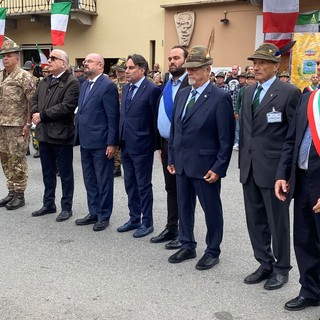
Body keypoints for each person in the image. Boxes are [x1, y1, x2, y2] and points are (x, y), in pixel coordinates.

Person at [239, 43, 301, 290]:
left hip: (275, 171)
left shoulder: (288, 92)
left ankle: (282, 268)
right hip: (250, 167)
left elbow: (292, 136)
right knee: (255, 220)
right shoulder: (247, 93)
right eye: (255, 62)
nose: (257, 67)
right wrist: (244, 161)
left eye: (262, 62)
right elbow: (245, 132)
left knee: (278, 222)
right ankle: (264, 262)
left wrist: (285, 172)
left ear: (277, 66)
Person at [167, 45, 234, 270]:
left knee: (211, 209)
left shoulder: (220, 97)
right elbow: (175, 129)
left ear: (207, 70)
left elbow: (226, 138)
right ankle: (187, 244)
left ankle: (212, 250)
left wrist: (219, 167)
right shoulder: (183, 93)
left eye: (195, 69)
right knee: (184, 206)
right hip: (182, 163)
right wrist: (172, 158)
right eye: (188, 68)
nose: (190, 72)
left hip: (206, 166)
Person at [275, 90, 320, 311]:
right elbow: (291, 139)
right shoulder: (309, 98)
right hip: (302, 181)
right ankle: (310, 291)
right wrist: (282, 173)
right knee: (305, 241)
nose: (318, 68)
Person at [30, 49, 80, 222]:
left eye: (53, 58)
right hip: (44, 135)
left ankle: (67, 207)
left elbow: (66, 106)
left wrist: (42, 115)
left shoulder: (72, 82)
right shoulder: (44, 81)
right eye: (49, 58)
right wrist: (35, 112)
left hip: (61, 135)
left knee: (65, 174)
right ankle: (48, 203)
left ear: (63, 64)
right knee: (47, 172)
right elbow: (34, 100)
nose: (48, 61)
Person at [117, 54, 161, 238]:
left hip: (142, 144)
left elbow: (154, 119)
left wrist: (156, 146)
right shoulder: (126, 88)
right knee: (130, 183)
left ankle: (147, 221)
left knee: (143, 185)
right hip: (125, 143)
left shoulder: (152, 89)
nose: (126, 71)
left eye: (131, 68)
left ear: (142, 69)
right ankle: (134, 217)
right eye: (126, 68)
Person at [74, 53, 119, 232]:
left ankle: (104, 214)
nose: (85, 63)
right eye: (84, 61)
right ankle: (93, 211)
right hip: (86, 140)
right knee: (89, 179)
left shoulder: (107, 86)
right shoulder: (85, 85)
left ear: (100, 66)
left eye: (89, 61)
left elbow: (112, 116)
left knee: (103, 180)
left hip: (101, 142)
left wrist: (112, 143)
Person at [151, 45, 189, 250]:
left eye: (176, 58)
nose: (172, 61)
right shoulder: (167, 83)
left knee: (183, 190)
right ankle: (171, 226)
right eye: (170, 58)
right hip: (166, 145)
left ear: (186, 60)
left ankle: (185, 232)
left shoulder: (190, 85)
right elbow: (161, 115)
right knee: (171, 188)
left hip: (183, 146)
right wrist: (159, 145)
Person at [0, 40, 36, 210]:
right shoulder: (1, 75)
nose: (5, 58)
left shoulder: (24, 76)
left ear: (16, 58)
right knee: (5, 158)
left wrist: (28, 124)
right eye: (3, 56)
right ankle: (11, 190)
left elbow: (32, 102)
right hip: (2, 125)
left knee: (17, 159)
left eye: (9, 56)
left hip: (17, 125)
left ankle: (20, 194)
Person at [112, 58, 127, 177]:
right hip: (115, 115)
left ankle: (125, 164)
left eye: (121, 71)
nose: (118, 73)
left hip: (126, 117)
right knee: (115, 141)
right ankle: (116, 166)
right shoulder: (112, 84)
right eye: (117, 71)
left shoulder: (130, 84)